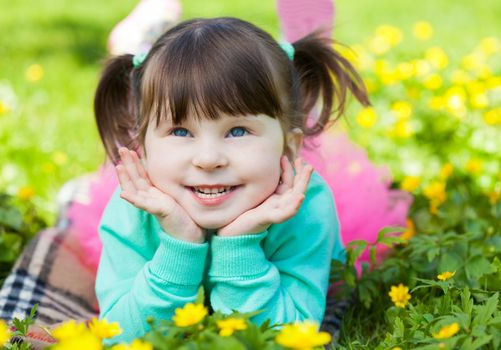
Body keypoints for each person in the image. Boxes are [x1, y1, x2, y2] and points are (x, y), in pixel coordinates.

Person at [93, 17, 369, 343]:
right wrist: (178, 246)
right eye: (180, 131)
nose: (209, 159)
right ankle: (143, 32)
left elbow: (287, 340)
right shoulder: (132, 211)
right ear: (144, 148)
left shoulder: (306, 209)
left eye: (237, 131)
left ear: (290, 147)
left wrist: (240, 242)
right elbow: (120, 339)